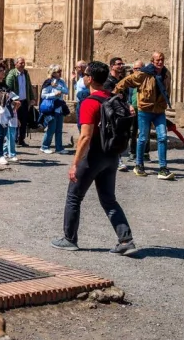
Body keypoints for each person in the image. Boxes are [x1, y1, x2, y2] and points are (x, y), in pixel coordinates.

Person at [51, 61, 136, 255]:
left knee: (74, 196)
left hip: (93, 155)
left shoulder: (90, 102)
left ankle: (69, 238)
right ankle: (126, 240)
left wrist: (75, 164)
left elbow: (85, 136)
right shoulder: (114, 98)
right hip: (112, 154)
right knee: (109, 199)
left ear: (89, 78)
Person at [113, 51, 174, 180]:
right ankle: (139, 164)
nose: (160, 62)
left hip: (159, 110)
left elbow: (167, 90)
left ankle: (163, 168)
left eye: (162, 59)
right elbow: (128, 80)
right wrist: (115, 92)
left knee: (162, 137)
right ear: (152, 61)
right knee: (142, 138)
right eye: (157, 60)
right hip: (145, 110)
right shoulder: (144, 73)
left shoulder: (166, 74)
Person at [39, 65, 71, 155]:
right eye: (58, 71)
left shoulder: (61, 82)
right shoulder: (48, 82)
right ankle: (44, 146)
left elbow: (67, 91)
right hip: (51, 108)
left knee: (59, 129)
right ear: (53, 73)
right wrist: (54, 94)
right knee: (51, 128)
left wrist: (58, 87)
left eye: (61, 71)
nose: (60, 73)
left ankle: (59, 147)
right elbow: (43, 95)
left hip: (59, 108)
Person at [5, 57, 32, 146]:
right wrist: (12, 100)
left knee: (24, 121)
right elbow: (8, 88)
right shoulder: (12, 75)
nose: (23, 65)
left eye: (24, 63)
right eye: (21, 63)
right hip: (15, 102)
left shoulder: (26, 74)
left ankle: (21, 139)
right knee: (15, 120)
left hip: (24, 101)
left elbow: (29, 86)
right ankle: (14, 139)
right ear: (16, 64)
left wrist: (32, 98)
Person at [72, 60, 89, 130]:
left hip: (84, 103)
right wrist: (73, 81)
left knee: (83, 124)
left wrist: (80, 95)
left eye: (76, 67)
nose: (75, 69)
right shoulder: (80, 78)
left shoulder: (87, 78)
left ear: (81, 68)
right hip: (79, 103)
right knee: (79, 123)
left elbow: (90, 90)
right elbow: (77, 88)